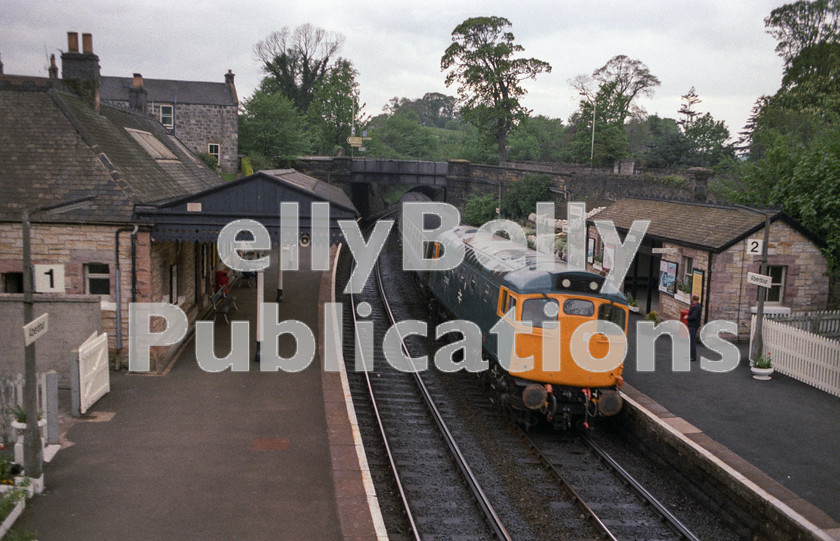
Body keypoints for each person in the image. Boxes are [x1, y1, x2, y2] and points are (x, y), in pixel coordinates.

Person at [687, 294, 702, 361]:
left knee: (692, 341)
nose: (690, 298)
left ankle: (693, 356)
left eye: (691, 297)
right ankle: (691, 355)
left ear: (693, 299)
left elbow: (694, 316)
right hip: (693, 324)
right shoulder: (695, 306)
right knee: (691, 340)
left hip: (693, 325)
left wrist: (687, 317)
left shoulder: (697, 307)